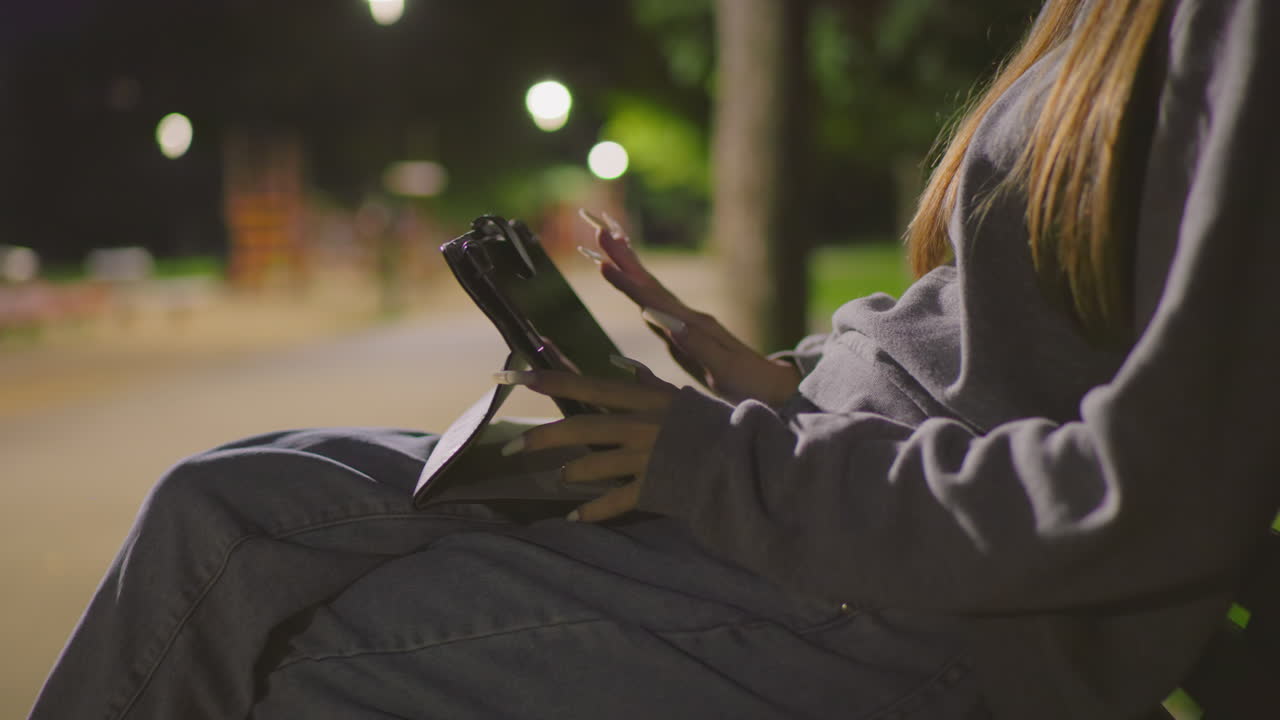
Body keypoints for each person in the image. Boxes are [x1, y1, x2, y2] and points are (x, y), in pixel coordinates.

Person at [29, 0, 1279, 718]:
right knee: (218, 508)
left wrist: (721, 463)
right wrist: (770, 378)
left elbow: (1154, 496)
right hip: (809, 511)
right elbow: (1005, 357)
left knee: (288, 672)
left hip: (903, 610)